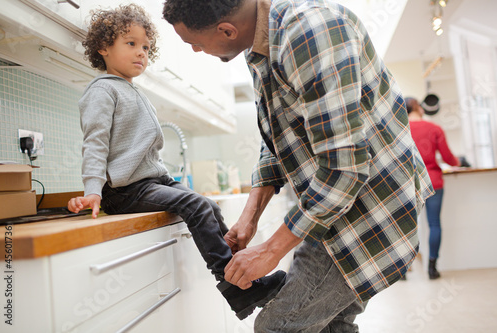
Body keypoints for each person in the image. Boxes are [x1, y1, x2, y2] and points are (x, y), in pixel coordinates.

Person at [163, 0, 434, 332]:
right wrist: (250, 218)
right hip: (331, 210)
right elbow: (276, 136)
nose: (194, 50)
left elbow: (343, 169)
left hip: (368, 208)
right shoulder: (258, 48)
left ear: (226, 30)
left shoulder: (311, 32)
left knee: (278, 327)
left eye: (195, 42)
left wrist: (271, 250)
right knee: (333, 325)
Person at [66, 3, 286, 321]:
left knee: (206, 206)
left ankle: (241, 281)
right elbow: (95, 144)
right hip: (125, 190)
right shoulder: (102, 91)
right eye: (131, 44)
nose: (141, 52)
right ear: (103, 47)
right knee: (197, 206)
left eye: (146, 47)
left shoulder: (132, 90)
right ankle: (236, 287)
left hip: (150, 182)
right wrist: (93, 191)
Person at [406, 97, 461, 280]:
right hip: (433, 181)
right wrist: (457, 162)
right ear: (417, 107)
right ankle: (432, 268)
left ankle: (402, 271)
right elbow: (448, 158)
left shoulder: (401, 130)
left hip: (410, 184)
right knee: (434, 224)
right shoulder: (434, 128)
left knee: (406, 227)